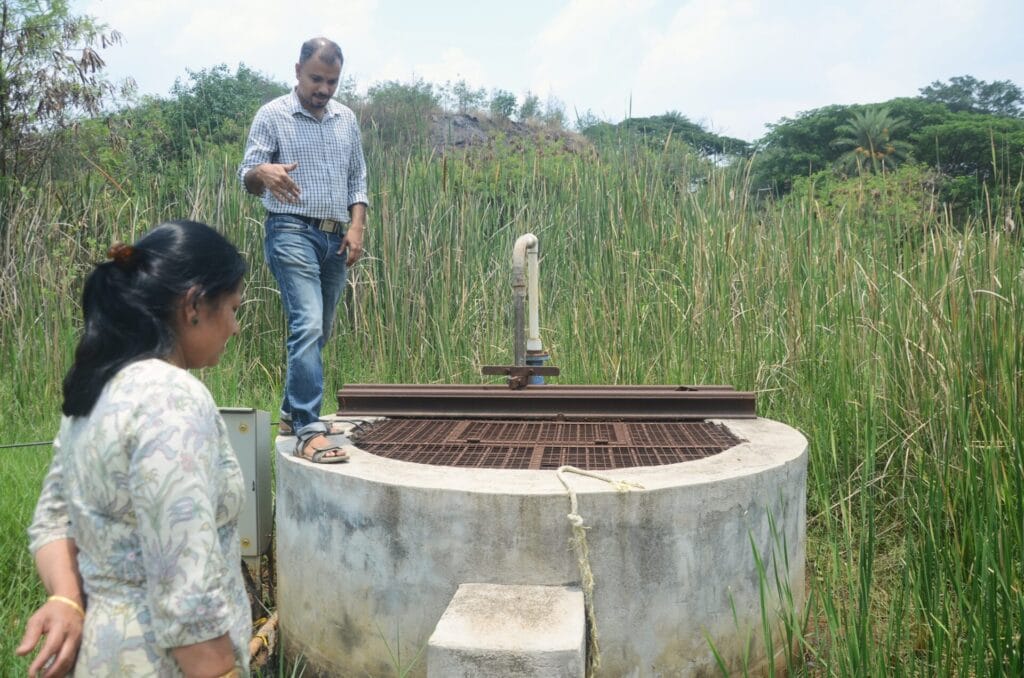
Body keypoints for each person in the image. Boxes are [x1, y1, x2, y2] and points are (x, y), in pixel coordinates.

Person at [16, 221, 251, 677]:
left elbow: (52, 520)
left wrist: (66, 596)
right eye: (234, 308)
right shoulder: (172, 398)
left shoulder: (94, 390)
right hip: (164, 662)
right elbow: (188, 595)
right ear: (195, 304)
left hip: (99, 654)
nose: (236, 327)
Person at [238, 36, 368, 464]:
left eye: (331, 81)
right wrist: (263, 172)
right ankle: (309, 430)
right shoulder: (272, 115)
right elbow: (248, 175)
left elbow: (357, 178)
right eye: (316, 79)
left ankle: (292, 415)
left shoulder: (346, 119)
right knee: (308, 323)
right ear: (298, 71)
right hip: (290, 229)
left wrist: (356, 226)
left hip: (335, 238)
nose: (324, 89)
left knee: (321, 330)